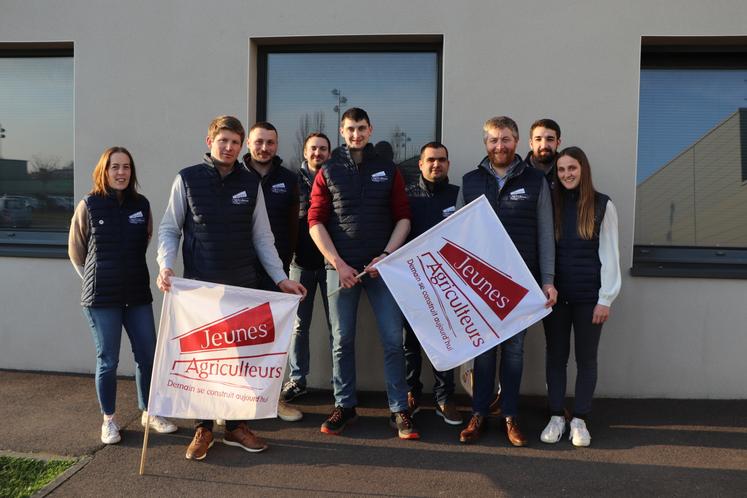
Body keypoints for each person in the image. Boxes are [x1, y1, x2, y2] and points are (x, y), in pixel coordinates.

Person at [157, 116, 306, 461]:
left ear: (241, 147)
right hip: (200, 290)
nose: (229, 147)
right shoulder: (187, 179)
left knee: (239, 363)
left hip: (242, 287)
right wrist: (165, 265)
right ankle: (203, 428)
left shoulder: (250, 183)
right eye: (223, 140)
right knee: (204, 362)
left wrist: (280, 277)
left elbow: (263, 237)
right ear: (209, 140)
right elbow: (169, 229)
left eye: (235, 142)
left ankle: (236, 427)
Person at [308, 107, 419, 440]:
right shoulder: (327, 170)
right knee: (342, 341)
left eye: (361, 128)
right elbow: (315, 221)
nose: (355, 134)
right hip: (339, 269)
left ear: (370, 130)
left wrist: (385, 256)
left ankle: (399, 409)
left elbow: (403, 218)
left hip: (381, 270)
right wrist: (338, 263)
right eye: (349, 129)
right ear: (342, 132)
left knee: (391, 340)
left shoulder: (389, 169)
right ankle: (345, 406)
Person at [68, 146, 177, 444]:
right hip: (101, 298)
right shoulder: (89, 204)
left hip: (137, 294)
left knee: (148, 355)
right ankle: (109, 420)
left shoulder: (141, 205)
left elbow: (144, 243)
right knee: (109, 360)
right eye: (114, 167)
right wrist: (93, 280)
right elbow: (76, 251)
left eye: (126, 167)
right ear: (104, 171)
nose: (121, 172)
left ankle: (149, 411)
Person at [459, 116, 557, 447]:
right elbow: (456, 238)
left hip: (520, 286)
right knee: (484, 353)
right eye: (492, 140)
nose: (499, 145)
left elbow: (545, 235)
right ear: (485, 144)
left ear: (517, 141)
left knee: (514, 352)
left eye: (505, 139)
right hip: (479, 283)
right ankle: (479, 413)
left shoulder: (535, 181)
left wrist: (547, 280)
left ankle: (510, 415)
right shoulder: (470, 181)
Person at [539, 146, 620, 447]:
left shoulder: (602, 205)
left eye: (571, 168)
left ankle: (580, 419)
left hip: (590, 299)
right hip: (556, 299)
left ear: (583, 169)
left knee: (586, 359)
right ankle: (556, 416)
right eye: (560, 170)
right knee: (556, 358)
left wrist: (606, 298)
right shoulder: (551, 204)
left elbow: (610, 255)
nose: (566, 175)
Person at [402, 142, 462, 425]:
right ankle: (412, 393)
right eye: (430, 160)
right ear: (421, 164)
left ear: (448, 164)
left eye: (441, 160)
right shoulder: (406, 196)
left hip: (447, 283)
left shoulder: (458, 196)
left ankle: (444, 397)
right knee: (410, 343)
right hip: (412, 282)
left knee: (446, 341)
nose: (436, 165)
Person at [281, 132, 333, 402]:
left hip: (331, 265)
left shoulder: (335, 178)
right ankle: (297, 379)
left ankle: (340, 382)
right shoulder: (291, 182)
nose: (317, 153)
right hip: (299, 264)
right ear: (304, 152)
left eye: (323, 149)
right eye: (313, 148)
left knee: (336, 326)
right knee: (299, 326)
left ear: (329, 153)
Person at [244, 122, 299, 290]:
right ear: (248, 143)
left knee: (271, 318)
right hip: (241, 269)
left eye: (270, 142)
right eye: (259, 142)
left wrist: (286, 260)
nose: (264, 147)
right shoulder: (236, 178)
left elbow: (293, 226)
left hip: (277, 271)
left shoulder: (289, 179)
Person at [525, 119, 562, 187]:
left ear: (558, 143)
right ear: (531, 144)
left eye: (550, 139)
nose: (544, 145)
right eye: (538, 139)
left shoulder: (567, 173)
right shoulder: (519, 172)